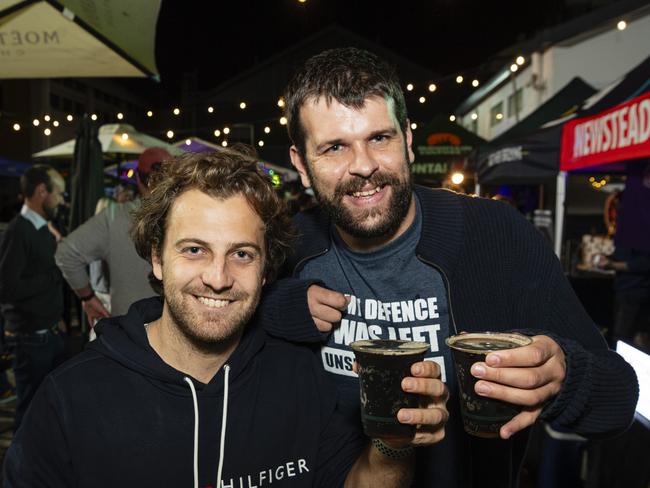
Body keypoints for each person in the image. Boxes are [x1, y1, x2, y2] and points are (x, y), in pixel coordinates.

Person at [257, 47, 639, 487]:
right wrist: (273, 307)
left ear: (408, 140)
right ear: (302, 166)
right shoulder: (290, 247)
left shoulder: (495, 236)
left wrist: (566, 377)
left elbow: (620, 397)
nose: (363, 166)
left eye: (379, 138)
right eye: (334, 147)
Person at [3, 150, 446, 487]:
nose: (218, 278)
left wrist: (394, 441)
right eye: (194, 249)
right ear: (156, 258)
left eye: (242, 254)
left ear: (267, 265)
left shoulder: (298, 377)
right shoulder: (71, 398)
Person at [55, 147, 171, 326]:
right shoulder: (192, 216)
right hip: (179, 336)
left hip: (130, 334)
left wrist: (88, 298)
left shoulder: (115, 217)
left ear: (138, 179)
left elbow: (65, 254)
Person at [0, 164, 66, 431]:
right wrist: (53, 274)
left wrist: (55, 318)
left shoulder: (41, 229)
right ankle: (19, 471)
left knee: (46, 412)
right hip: (30, 341)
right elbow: (7, 287)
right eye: (58, 194)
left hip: (46, 334)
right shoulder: (19, 230)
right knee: (29, 416)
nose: (61, 200)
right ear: (42, 192)